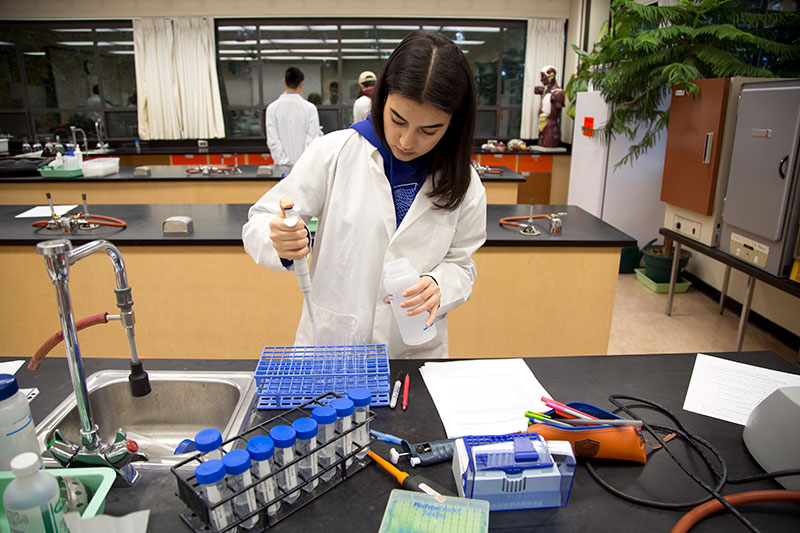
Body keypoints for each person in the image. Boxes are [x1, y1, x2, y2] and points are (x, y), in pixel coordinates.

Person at [243, 30, 487, 358]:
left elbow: (461, 262)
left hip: (413, 356)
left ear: (453, 124)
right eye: (397, 120)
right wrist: (279, 240)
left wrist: (441, 285)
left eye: (429, 130)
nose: (406, 141)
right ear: (382, 98)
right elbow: (260, 221)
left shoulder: (464, 182)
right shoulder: (334, 152)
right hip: (333, 351)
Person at [265, 67, 321, 165]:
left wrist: (283, 162)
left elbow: (272, 140)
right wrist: (302, 162)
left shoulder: (272, 109)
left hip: (281, 168)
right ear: (301, 83)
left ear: (284, 82)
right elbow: (312, 139)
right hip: (305, 166)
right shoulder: (310, 108)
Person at [533, 65, 565, 148]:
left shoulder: (558, 93)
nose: (541, 79)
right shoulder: (547, 91)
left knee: (547, 151)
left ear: (551, 76)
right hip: (543, 125)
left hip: (550, 126)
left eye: (543, 76)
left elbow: (555, 112)